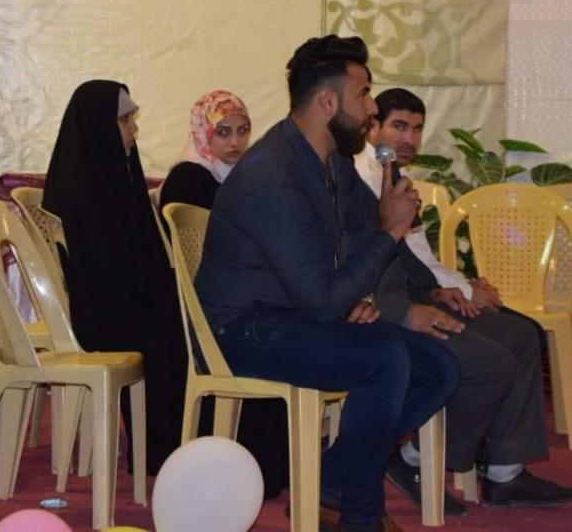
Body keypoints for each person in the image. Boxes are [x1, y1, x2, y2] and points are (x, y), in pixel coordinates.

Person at [195, 36, 459, 532]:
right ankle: (360, 517)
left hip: (295, 313)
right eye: (364, 94)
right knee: (385, 358)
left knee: (438, 366)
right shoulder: (274, 175)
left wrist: (365, 290)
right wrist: (389, 233)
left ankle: (331, 479)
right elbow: (331, 291)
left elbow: (364, 234)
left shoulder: (332, 161)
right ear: (327, 101)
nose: (372, 108)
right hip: (241, 329)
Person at [362, 87, 572, 512]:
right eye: (398, 126)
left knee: (522, 334)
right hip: (383, 307)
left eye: (417, 129)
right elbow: (371, 262)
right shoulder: (361, 177)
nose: (409, 138)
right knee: (491, 361)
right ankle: (412, 459)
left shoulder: (395, 177)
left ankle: (505, 473)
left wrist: (456, 290)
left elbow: (418, 257)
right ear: (372, 127)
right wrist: (450, 292)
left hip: (418, 291)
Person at [42, 80, 186, 475]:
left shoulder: (112, 175)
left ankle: (184, 439)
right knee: (181, 326)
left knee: (193, 312)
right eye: (124, 121)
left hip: (122, 301)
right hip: (101, 314)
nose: (134, 130)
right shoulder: (80, 189)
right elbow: (105, 274)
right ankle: (165, 448)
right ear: (97, 126)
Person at [157, 90, 290, 499]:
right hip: (205, 314)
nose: (235, 142)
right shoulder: (190, 179)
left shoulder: (235, 178)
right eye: (223, 132)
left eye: (242, 131)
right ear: (203, 133)